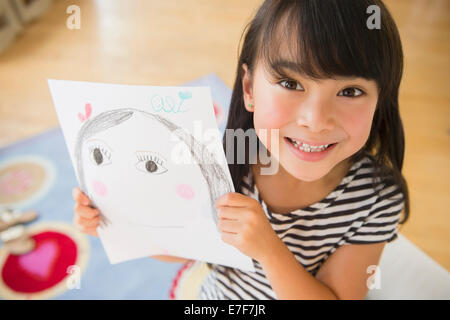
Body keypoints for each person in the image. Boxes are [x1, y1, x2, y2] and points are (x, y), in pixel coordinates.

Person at [73, 0, 410, 299]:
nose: (316, 121)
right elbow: (179, 248)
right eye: (291, 83)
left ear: (381, 100)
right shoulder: (226, 159)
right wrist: (116, 220)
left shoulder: (376, 197)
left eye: (350, 91)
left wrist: (269, 250)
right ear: (249, 88)